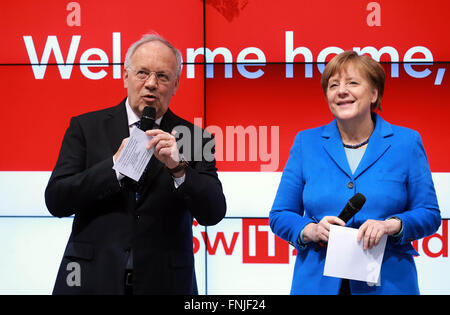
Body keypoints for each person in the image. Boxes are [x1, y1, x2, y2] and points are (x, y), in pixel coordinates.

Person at [45, 33, 226, 295]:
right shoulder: (86, 127)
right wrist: (114, 168)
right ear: (125, 76)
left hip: (166, 284)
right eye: (142, 73)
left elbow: (213, 212)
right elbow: (56, 200)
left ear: (175, 84)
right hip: (90, 281)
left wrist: (179, 169)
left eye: (162, 76)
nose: (151, 84)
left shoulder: (196, 138)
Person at [269, 51, 441, 295]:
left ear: (374, 93)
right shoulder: (306, 142)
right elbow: (280, 214)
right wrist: (310, 230)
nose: (341, 91)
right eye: (333, 85)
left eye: (352, 82)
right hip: (317, 284)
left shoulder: (407, 142)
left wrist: (392, 225)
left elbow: (430, 214)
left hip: (388, 284)